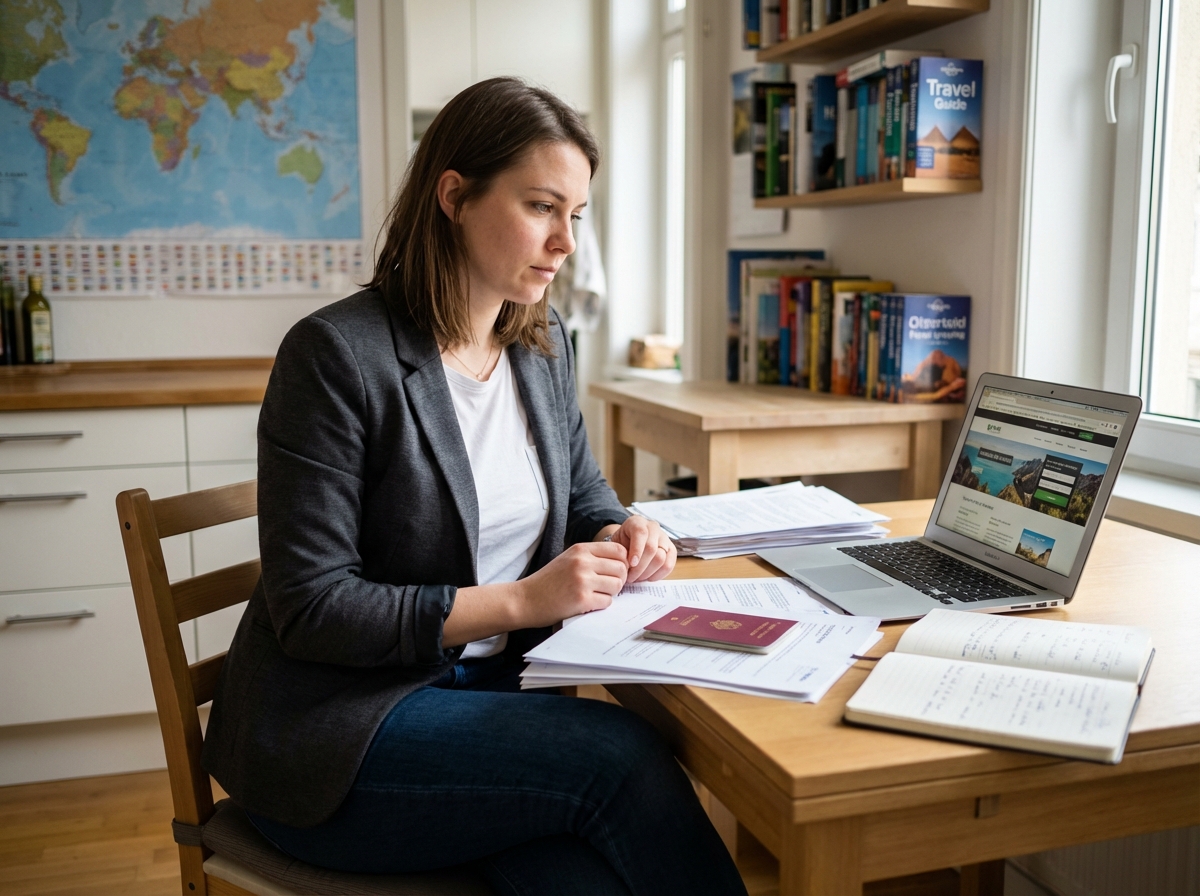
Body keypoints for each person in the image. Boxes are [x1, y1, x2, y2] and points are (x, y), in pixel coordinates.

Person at [202, 77, 748, 896]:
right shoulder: (336, 356)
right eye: (541, 207)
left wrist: (617, 533)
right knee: (619, 756)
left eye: (576, 215)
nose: (565, 242)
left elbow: (583, 493)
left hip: (489, 706)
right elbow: (314, 608)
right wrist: (524, 602)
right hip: (344, 735)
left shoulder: (541, 344)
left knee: (585, 878)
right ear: (454, 195)